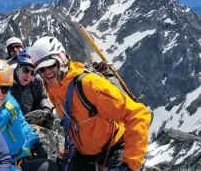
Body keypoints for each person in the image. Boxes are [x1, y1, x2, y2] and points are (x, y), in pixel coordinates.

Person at [28, 36, 152, 171]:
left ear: (61, 59)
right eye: (41, 69)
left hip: (114, 147)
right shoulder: (53, 89)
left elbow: (138, 115)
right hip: (84, 152)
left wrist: (130, 165)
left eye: (50, 65)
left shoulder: (89, 85)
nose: (47, 73)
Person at [0, 58, 58, 171]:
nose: (0, 95)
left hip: (24, 155)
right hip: (8, 165)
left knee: (52, 167)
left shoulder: (10, 101)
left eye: (5, 89)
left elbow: (22, 123)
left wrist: (35, 144)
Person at [10, 48, 54, 116]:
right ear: (18, 67)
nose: (28, 76)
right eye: (25, 70)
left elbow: (41, 98)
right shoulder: (6, 81)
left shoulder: (36, 81)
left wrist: (46, 109)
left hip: (31, 119)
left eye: (33, 72)